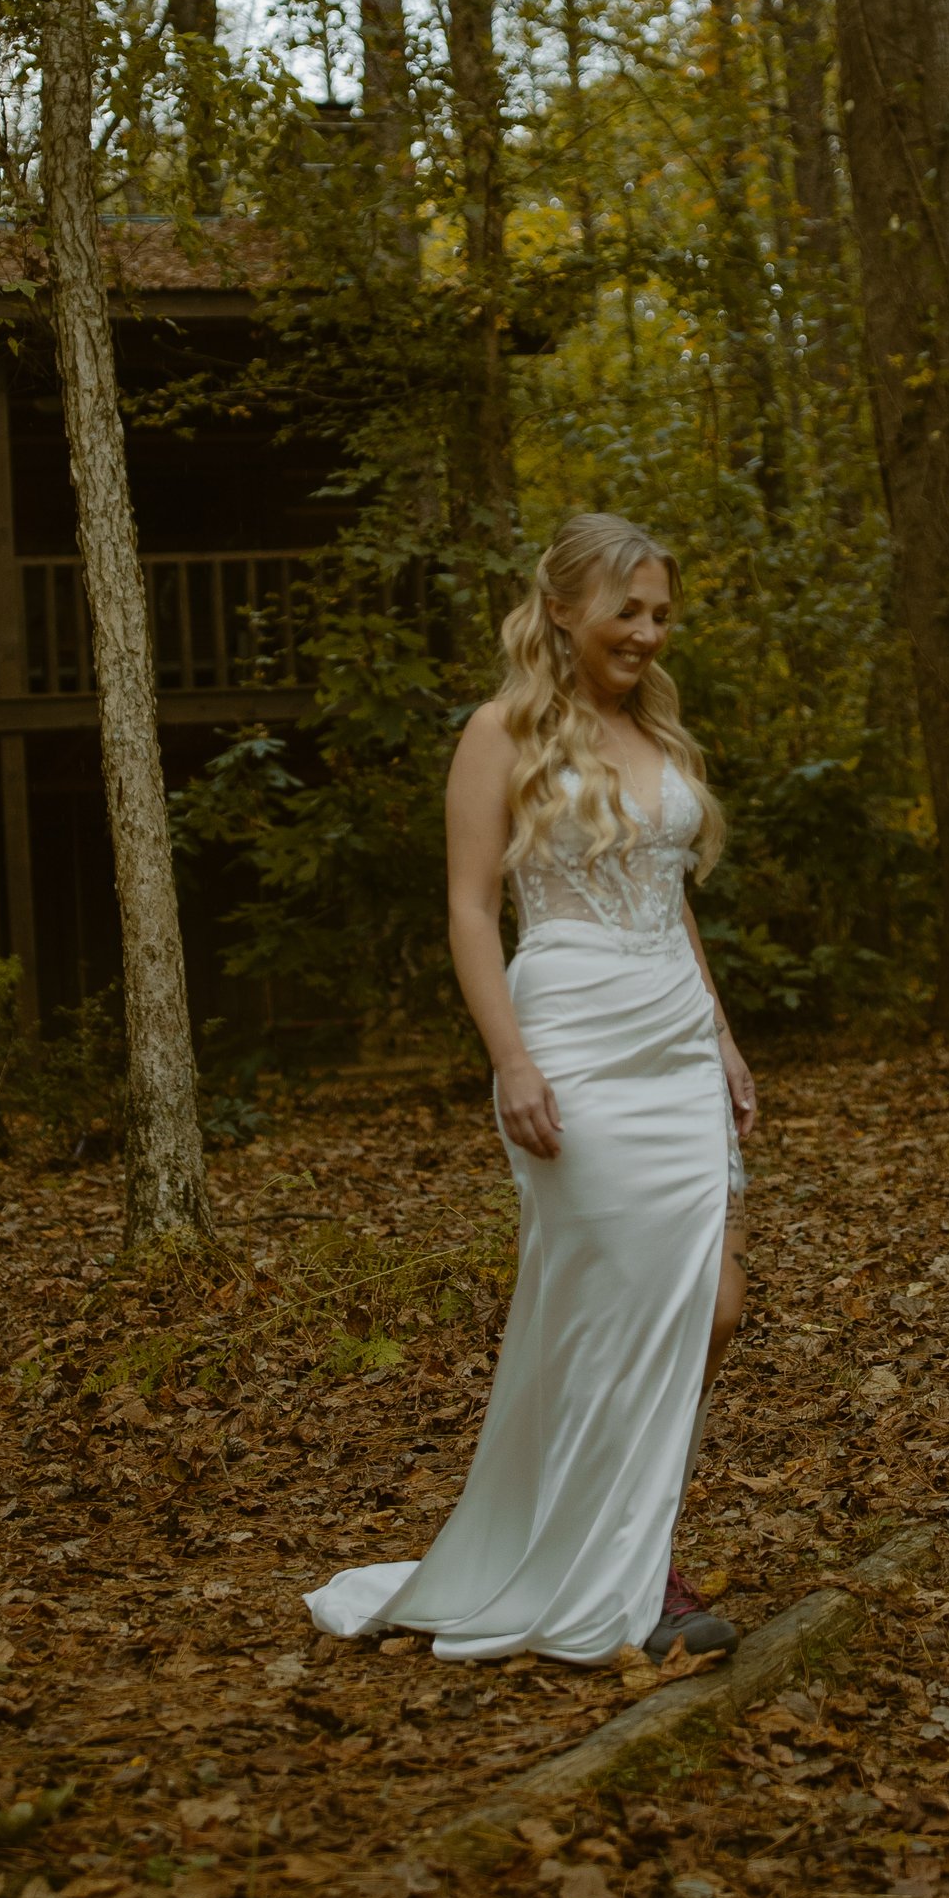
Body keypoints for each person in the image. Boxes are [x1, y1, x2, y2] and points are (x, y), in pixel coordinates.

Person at [305, 512, 757, 1665]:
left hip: (674, 1044)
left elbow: (669, 897)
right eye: (625, 611)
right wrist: (509, 1058)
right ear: (559, 608)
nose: (647, 634)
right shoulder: (498, 732)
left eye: (660, 614)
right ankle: (637, 1579)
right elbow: (468, 910)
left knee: (713, 1306)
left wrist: (720, 1035)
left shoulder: (654, 731)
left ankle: (622, 1541)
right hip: (572, 1043)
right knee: (616, 1317)